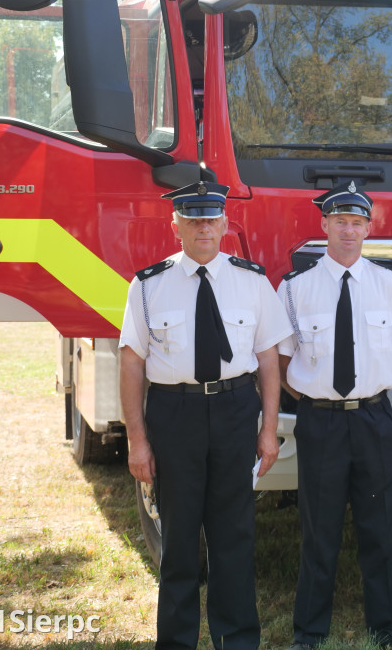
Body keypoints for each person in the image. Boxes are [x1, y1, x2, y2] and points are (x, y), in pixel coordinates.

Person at [119, 181, 290, 650]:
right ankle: (175, 642)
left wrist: (269, 429)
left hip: (236, 410)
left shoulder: (252, 282)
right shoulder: (149, 285)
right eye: (192, 220)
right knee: (177, 541)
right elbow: (132, 363)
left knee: (234, 535)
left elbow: (269, 359)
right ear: (175, 226)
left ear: (225, 225)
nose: (203, 228)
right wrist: (137, 439)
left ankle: (235, 641)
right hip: (175, 414)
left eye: (211, 219)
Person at [277, 181, 392, 650]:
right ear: (325, 225)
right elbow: (282, 360)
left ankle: (388, 630)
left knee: (380, 527)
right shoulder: (295, 289)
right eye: (340, 222)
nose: (349, 231)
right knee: (320, 530)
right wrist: (315, 399)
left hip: (373, 419)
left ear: (368, 227)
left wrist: (365, 391)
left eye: (357, 223)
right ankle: (309, 632)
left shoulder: (390, 286)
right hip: (320, 422)